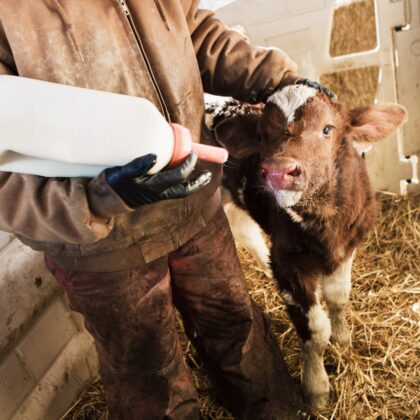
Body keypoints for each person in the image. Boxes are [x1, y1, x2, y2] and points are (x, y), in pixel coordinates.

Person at [0, 1, 321, 418]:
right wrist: (94, 200)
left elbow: (195, 31)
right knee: (149, 375)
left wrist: (279, 82)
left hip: (195, 201)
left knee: (236, 331)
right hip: (102, 245)